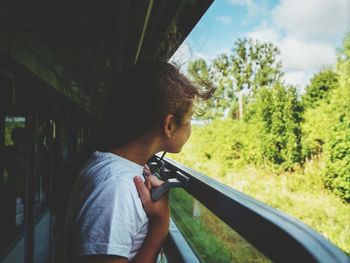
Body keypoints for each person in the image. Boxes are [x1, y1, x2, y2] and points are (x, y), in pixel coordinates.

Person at [60, 60, 213, 263]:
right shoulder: (116, 188)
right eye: (190, 118)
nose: (191, 127)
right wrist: (160, 225)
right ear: (169, 125)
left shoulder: (123, 170)